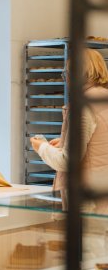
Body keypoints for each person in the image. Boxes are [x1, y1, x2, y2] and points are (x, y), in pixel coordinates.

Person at [30, 48, 108, 212]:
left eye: (67, 73)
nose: (66, 80)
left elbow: (67, 161)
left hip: (87, 201)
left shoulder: (83, 106)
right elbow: (100, 141)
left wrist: (41, 147)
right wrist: (66, 142)